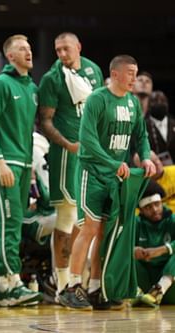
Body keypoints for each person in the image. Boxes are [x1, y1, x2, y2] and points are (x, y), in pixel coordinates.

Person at [58, 55, 156, 310]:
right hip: (92, 171)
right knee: (89, 229)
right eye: (131, 73)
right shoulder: (97, 99)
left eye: (136, 73)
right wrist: (113, 164)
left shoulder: (133, 103)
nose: (135, 78)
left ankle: (95, 287)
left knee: (105, 233)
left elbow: (141, 136)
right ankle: (71, 287)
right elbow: (88, 141)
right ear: (115, 74)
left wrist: (145, 158)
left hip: (115, 176)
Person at [38, 32, 104, 298]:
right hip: (67, 154)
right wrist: (68, 144)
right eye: (57, 50)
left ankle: (84, 280)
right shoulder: (51, 78)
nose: (62, 54)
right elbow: (45, 121)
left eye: (66, 49)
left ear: (79, 47)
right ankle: (63, 282)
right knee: (66, 217)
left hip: (92, 153)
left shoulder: (93, 70)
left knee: (86, 218)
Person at [0, 34, 43, 307]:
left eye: (29, 47)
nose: (28, 51)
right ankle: (7, 284)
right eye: (21, 48)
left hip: (24, 164)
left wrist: (29, 169)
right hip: (5, 163)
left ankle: (13, 280)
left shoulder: (32, 87)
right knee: (8, 223)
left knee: (16, 222)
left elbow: (28, 132)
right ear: (9, 56)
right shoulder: (0, 84)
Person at [135, 181, 175, 306]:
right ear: (141, 210)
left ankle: (159, 289)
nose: (155, 209)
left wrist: (164, 249)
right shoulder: (136, 223)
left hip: (169, 283)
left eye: (157, 204)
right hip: (146, 281)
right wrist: (132, 250)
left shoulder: (172, 219)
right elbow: (119, 249)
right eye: (148, 207)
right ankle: (136, 293)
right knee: (124, 255)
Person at [145, 90, 175, 165]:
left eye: (162, 100)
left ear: (167, 104)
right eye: (155, 100)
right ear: (148, 105)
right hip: (154, 172)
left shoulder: (173, 123)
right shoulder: (142, 126)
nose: (159, 103)